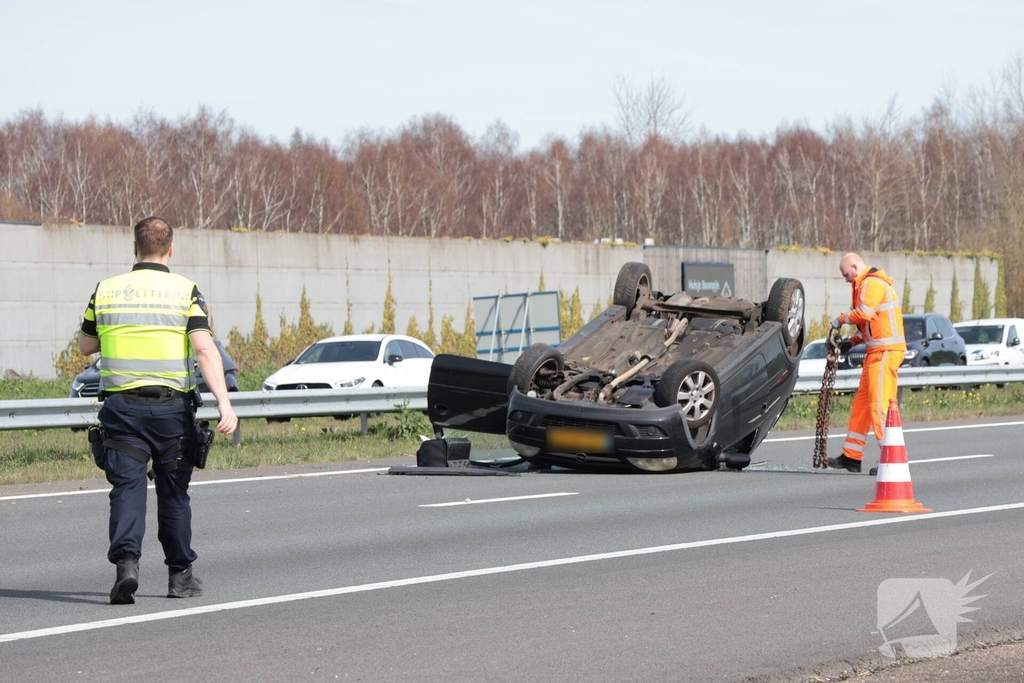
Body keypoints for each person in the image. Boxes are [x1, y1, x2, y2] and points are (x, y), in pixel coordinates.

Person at [79, 216, 238, 604]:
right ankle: (179, 577)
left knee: (127, 489)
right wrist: (224, 402)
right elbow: (204, 349)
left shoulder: (107, 290)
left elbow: (86, 346)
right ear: (171, 249)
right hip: (171, 410)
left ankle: (127, 566)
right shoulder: (186, 291)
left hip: (121, 409)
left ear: (135, 248)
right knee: (174, 493)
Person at [828, 253, 906, 473]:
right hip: (876, 353)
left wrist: (841, 319)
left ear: (854, 265)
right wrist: (851, 342)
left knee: (879, 407)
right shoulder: (865, 284)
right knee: (862, 405)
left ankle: (891, 459)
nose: (845, 279)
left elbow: (864, 314)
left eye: (846, 274)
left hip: (885, 353)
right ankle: (852, 457)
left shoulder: (872, 283)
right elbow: (870, 327)